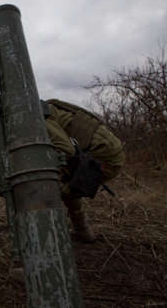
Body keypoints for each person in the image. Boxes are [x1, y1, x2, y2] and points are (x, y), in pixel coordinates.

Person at [44, 99, 125, 242]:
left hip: (105, 159)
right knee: (67, 181)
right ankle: (82, 231)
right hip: (108, 150)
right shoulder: (46, 107)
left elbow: (67, 150)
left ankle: (50, 233)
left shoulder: (39, 116)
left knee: (54, 184)